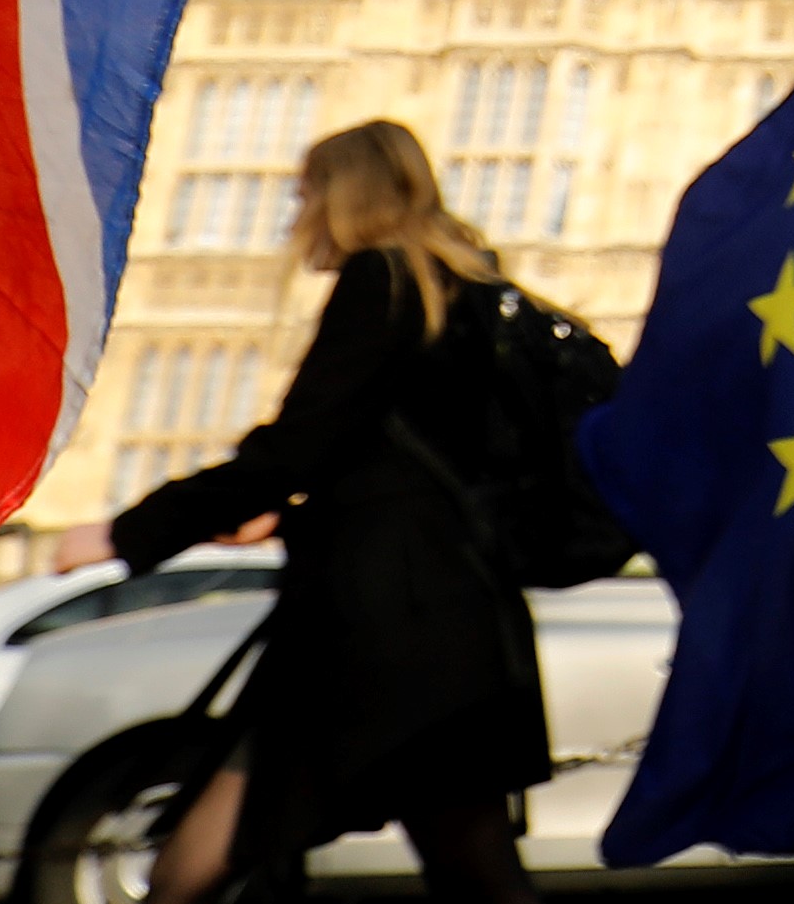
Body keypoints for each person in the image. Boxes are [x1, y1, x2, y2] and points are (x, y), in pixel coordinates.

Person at [55, 120, 554, 904]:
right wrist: (287, 518)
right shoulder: (470, 292)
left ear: (342, 193)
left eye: (305, 193)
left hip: (374, 629)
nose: (296, 215)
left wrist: (125, 532)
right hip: (457, 616)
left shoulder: (382, 279)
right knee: (473, 862)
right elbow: (412, 471)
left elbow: (294, 448)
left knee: (230, 829)